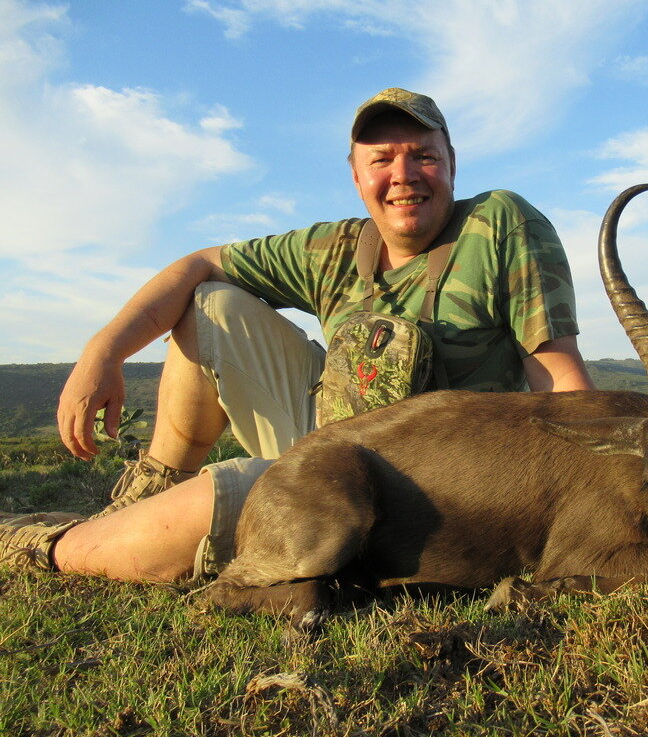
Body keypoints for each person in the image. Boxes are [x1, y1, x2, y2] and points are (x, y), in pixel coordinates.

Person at [0, 87, 594, 582]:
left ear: (452, 164)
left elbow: (557, 373)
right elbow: (199, 263)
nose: (404, 175)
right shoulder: (333, 248)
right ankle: (153, 490)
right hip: (335, 450)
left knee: (235, 492)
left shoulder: (500, 224)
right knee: (210, 303)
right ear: (357, 176)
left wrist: (588, 500)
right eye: (382, 159)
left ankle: (50, 548)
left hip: (429, 493)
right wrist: (101, 354)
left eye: (424, 157)